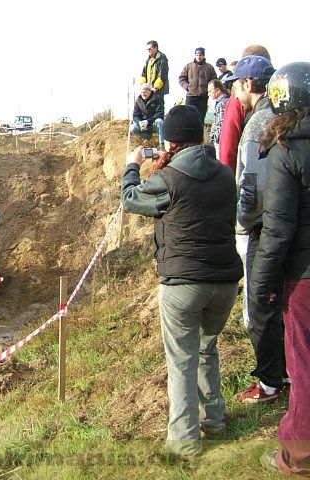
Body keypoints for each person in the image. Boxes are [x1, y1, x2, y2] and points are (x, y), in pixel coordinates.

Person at [121, 105, 242, 458]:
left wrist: (133, 165)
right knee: (207, 348)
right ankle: (215, 421)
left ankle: (184, 442)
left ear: (169, 140)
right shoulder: (224, 174)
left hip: (184, 283)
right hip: (225, 282)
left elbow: (131, 199)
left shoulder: (169, 178)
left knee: (182, 360)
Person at [250, 62, 310, 477]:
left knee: (303, 361)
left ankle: (299, 455)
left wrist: (261, 285)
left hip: (303, 276)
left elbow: (277, 229)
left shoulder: (287, 152)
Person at [223, 56, 287, 405]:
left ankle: (269, 382)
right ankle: (287, 373)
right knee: (284, 302)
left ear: (248, 84)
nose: (234, 89)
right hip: (284, 222)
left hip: (263, 227)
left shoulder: (258, 122)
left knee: (260, 304)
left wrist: (243, 221)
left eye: (236, 83)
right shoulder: (283, 114)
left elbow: (251, 183)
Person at [219, 45, 271, 173]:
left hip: (255, 186)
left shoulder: (239, 104)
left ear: (248, 83)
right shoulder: (282, 101)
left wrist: (228, 185)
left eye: (236, 87)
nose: (235, 94)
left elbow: (228, 150)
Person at [179, 47, 218, 124]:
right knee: (189, 119)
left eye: (200, 55)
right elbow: (181, 78)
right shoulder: (188, 66)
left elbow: (214, 80)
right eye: (197, 55)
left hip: (203, 97)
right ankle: (189, 136)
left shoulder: (209, 67)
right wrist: (187, 87)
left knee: (200, 119)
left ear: (203, 56)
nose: (199, 57)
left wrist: (209, 90)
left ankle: (199, 136)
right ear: (195, 55)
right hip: (191, 96)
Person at [130, 83, 165, 148]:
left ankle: (162, 144)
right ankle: (147, 136)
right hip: (144, 126)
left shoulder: (157, 98)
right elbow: (135, 115)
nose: (143, 94)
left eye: (145, 92)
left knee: (160, 121)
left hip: (154, 124)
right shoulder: (138, 100)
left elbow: (160, 113)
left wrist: (148, 121)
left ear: (150, 91)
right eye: (142, 92)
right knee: (133, 127)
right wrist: (139, 122)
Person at [141, 40, 169, 111]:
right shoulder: (148, 59)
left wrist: (155, 88)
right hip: (148, 89)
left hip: (158, 90)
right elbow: (143, 74)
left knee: (158, 109)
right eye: (147, 49)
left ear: (155, 48)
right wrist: (143, 86)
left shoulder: (162, 59)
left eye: (150, 49)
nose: (148, 50)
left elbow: (162, 75)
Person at [207, 79, 230, 158]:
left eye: (210, 91)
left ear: (217, 90)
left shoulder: (222, 104)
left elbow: (221, 124)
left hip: (220, 142)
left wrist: (215, 137)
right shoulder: (225, 101)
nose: (209, 94)